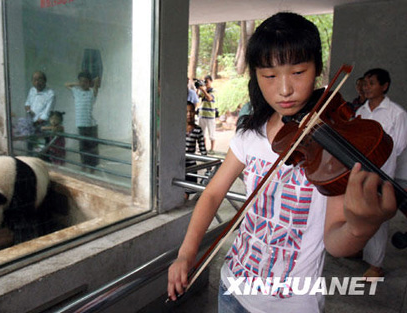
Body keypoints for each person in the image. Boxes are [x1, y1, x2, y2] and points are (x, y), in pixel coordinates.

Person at [168, 12, 397, 313]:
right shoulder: (250, 135)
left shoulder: (330, 150)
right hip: (232, 287)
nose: (285, 89)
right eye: (270, 76)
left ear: (317, 69)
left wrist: (359, 228)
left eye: (298, 72)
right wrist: (186, 253)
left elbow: (336, 241)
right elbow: (212, 194)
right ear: (256, 77)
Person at [355, 68, 407, 280]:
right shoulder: (361, 112)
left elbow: (400, 145)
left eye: (372, 83)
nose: (367, 87)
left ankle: (376, 266)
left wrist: (376, 155)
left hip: (383, 171)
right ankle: (359, 248)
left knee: (377, 216)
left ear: (384, 86)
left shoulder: (397, 113)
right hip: (360, 169)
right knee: (359, 211)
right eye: (365, 83)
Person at [65, 71, 100, 170]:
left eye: (85, 82)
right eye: (81, 81)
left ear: (89, 83)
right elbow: (66, 84)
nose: (83, 83)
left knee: (92, 147)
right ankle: (84, 165)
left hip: (91, 125)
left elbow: (97, 83)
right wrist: (79, 83)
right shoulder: (76, 91)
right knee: (82, 147)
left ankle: (92, 168)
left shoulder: (92, 93)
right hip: (81, 124)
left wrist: (93, 82)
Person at [25, 71, 55, 153]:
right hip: (31, 122)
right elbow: (27, 103)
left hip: (42, 124)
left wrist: (38, 122)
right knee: (30, 147)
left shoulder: (50, 93)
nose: (37, 82)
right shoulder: (32, 90)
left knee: (43, 149)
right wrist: (28, 110)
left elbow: (48, 111)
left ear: (45, 80)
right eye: (34, 80)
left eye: (39, 79)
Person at [185, 101, 207, 200]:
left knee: (187, 191)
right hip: (178, 165)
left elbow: (202, 147)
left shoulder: (198, 129)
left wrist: (208, 165)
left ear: (195, 112)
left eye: (191, 111)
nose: (189, 114)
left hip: (191, 165)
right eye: (186, 112)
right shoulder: (178, 128)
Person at [197, 75, 217, 154]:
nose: (205, 83)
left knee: (211, 133)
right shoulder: (203, 91)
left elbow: (209, 98)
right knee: (202, 133)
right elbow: (197, 97)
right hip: (202, 115)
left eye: (207, 81)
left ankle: (212, 149)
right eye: (204, 81)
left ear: (211, 81)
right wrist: (198, 88)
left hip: (210, 115)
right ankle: (203, 149)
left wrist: (203, 90)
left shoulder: (214, 91)